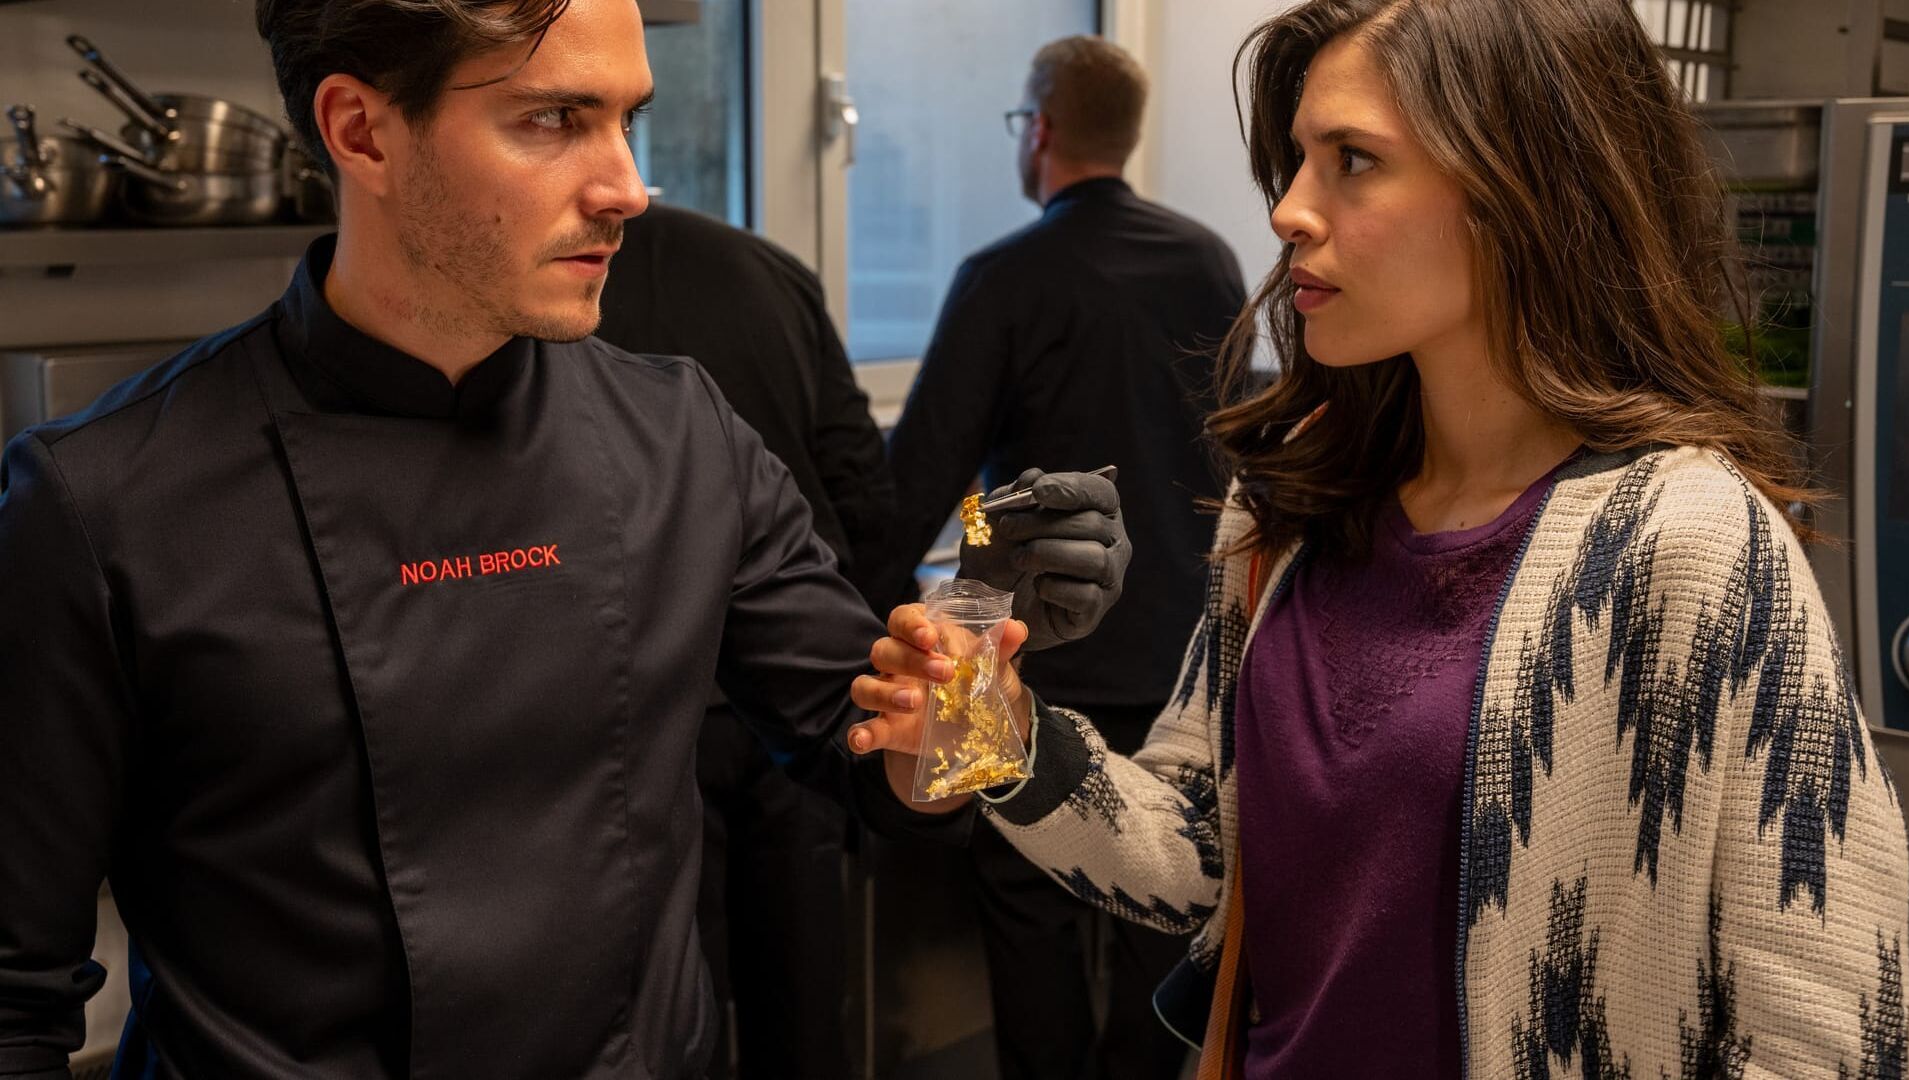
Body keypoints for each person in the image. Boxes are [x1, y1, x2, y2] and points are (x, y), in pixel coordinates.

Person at [0, 1, 1128, 1076]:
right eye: (552, 119)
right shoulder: (102, 503)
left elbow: (881, 764)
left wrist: (976, 651)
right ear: (362, 131)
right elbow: (14, 997)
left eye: (627, 119)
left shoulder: (681, 434)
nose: (628, 187)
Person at [849, 1, 1909, 1077]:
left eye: (1354, 161)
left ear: (1521, 189)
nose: (1289, 211)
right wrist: (989, 721)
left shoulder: (1688, 546)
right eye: (1298, 161)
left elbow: (1827, 1036)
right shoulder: (1291, 507)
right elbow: (1203, 851)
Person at [864, 35, 1245, 1080]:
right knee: (1162, 915)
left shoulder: (1004, 278)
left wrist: (873, 610)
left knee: (1025, 907)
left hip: (1022, 662)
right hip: (1175, 652)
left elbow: (919, 477)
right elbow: (1229, 457)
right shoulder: (1210, 262)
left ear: (1038, 131)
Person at [595, 201, 889, 1079]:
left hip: (646, 714)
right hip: (798, 693)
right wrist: (858, 649)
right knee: (801, 994)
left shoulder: (553, 296)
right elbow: (860, 480)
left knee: (661, 1009)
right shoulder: (771, 272)